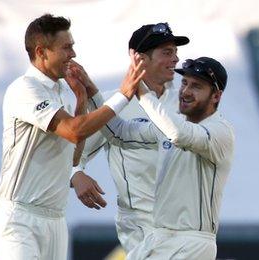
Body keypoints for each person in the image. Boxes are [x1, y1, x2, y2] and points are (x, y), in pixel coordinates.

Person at [0, 13, 145, 260]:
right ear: (42, 52)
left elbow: (72, 156)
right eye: (66, 47)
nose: (73, 54)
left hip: (55, 220)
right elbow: (74, 130)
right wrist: (123, 95)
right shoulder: (25, 89)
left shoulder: (63, 89)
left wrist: (81, 101)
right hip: (19, 219)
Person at [86, 56, 234, 259]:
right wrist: (91, 91)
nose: (186, 92)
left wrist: (142, 92)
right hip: (159, 238)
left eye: (196, 86)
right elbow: (118, 133)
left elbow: (179, 134)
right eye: (184, 83)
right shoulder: (171, 126)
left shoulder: (219, 131)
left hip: (192, 243)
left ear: (216, 96)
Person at [70, 22, 188, 253]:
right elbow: (74, 152)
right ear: (140, 59)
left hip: (185, 224)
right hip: (141, 225)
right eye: (167, 52)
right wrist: (76, 174)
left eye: (175, 52)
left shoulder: (187, 103)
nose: (175, 59)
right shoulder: (114, 104)